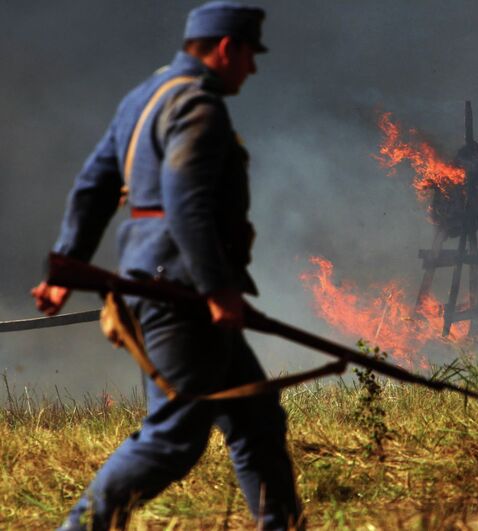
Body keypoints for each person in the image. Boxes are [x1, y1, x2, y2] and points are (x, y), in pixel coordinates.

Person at [30, 2, 302, 529]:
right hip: (181, 292)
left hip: (165, 283)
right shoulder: (199, 106)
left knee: (257, 420)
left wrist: (64, 269)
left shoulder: (142, 99)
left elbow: (93, 187)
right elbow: (187, 205)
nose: (253, 68)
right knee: (175, 437)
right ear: (227, 47)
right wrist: (218, 290)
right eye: (250, 54)